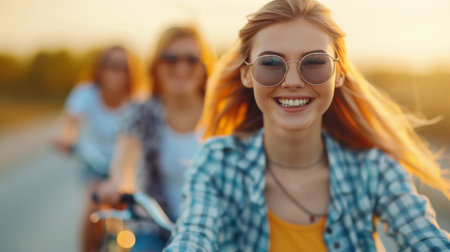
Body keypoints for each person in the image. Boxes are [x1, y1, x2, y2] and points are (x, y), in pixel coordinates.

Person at [164, 0, 450, 251]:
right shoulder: (218, 163)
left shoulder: (374, 168)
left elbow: (424, 238)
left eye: (314, 62)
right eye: (271, 63)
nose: (292, 81)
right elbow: (193, 237)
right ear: (247, 75)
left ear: (338, 74)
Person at [96, 26, 215, 251]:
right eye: (170, 58)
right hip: (155, 229)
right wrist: (119, 184)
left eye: (192, 59)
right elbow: (125, 161)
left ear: (204, 66)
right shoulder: (141, 113)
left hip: (215, 230)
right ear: (156, 66)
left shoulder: (224, 114)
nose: (181, 66)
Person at [54, 45, 144, 252]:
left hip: (127, 168)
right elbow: (70, 123)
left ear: (131, 73)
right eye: (110, 65)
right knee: (94, 211)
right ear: (99, 69)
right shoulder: (86, 93)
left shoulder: (138, 100)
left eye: (122, 67)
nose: (115, 72)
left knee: (134, 216)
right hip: (95, 163)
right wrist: (66, 139)